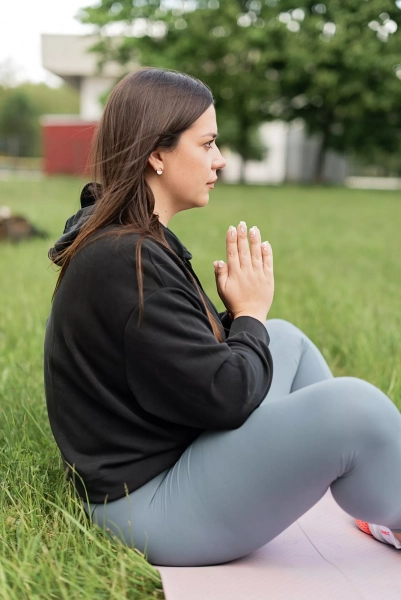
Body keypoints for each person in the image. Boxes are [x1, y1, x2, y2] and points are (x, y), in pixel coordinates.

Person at [44, 67, 401, 567]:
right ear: (157, 154)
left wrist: (240, 320)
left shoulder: (130, 240)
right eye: (208, 143)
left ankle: (367, 490)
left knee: (285, 340)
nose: (221, 159)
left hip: (171, 462)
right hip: (145, 507)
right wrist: (248, 314)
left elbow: (181, 366)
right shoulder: (125, 260)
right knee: (355, 408)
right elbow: (227, 396)